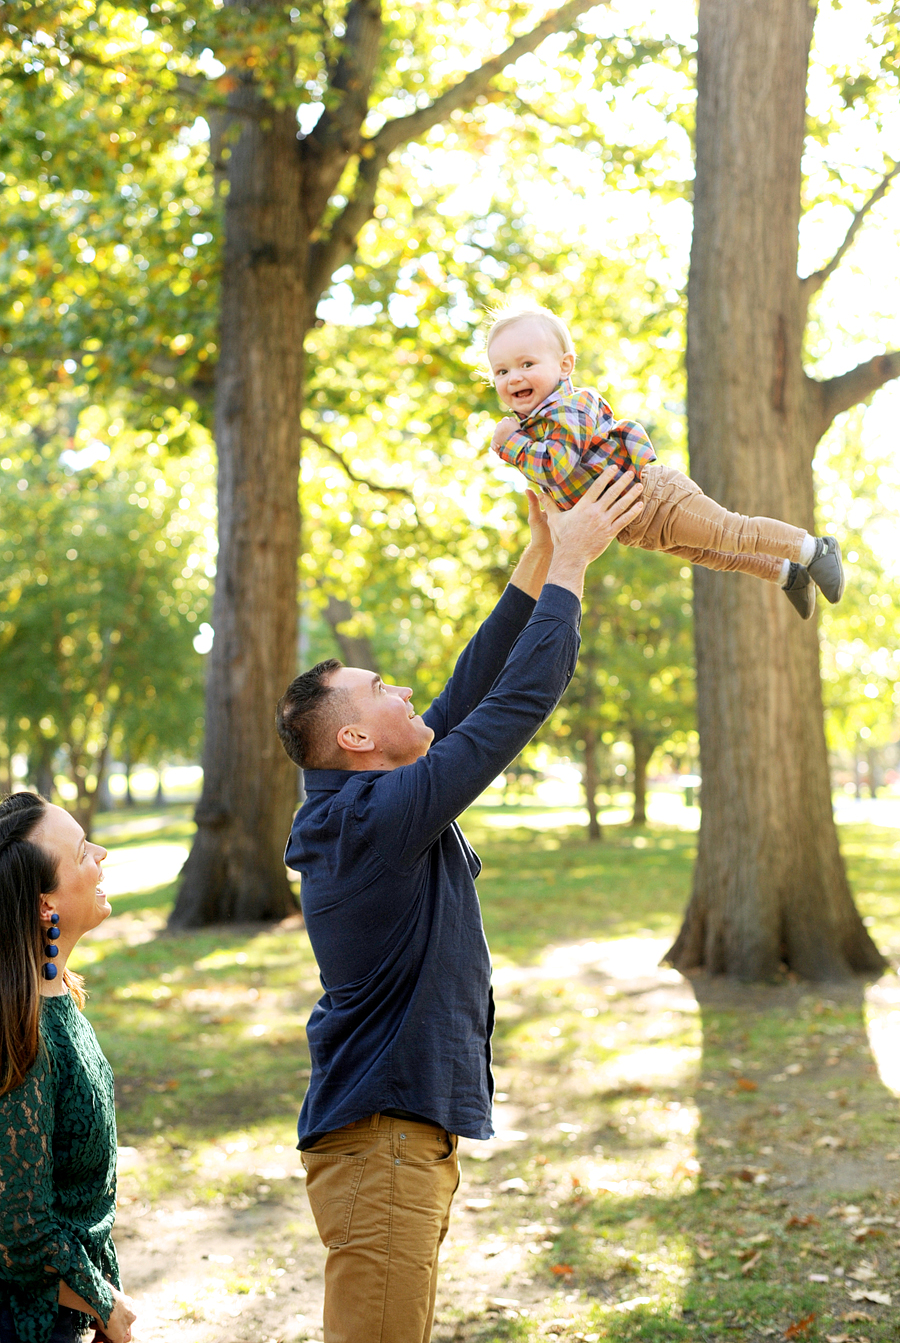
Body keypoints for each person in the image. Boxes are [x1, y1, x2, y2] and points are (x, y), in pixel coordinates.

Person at [274, 473, 642, 1343]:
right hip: (382, 1149)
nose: (407, 693)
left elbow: (472, 684)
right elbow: (511, 707)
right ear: (357, 738)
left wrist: (544, 546)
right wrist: (576, 567)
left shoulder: (372, 798)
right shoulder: (373, 819)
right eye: (383, 689)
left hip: (398, 1144)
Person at [487, 303, 845, 620]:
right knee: (717, 554)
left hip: (654, 497)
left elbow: (556, 466)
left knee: (730, 531)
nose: (513, 377)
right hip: (634, 525)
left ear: (565, 365)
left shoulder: (570, 407)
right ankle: (789, 573)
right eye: (501, 372)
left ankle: (814, 548)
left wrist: (510, 445)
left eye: (526, 364)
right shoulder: (534, 430)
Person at [0, 793, 137, 1343]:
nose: (100, 854)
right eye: (82, 852)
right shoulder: (19, 1030)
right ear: (42, 906)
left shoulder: (57, 996)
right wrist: (107, 1304)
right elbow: (18, 1225)